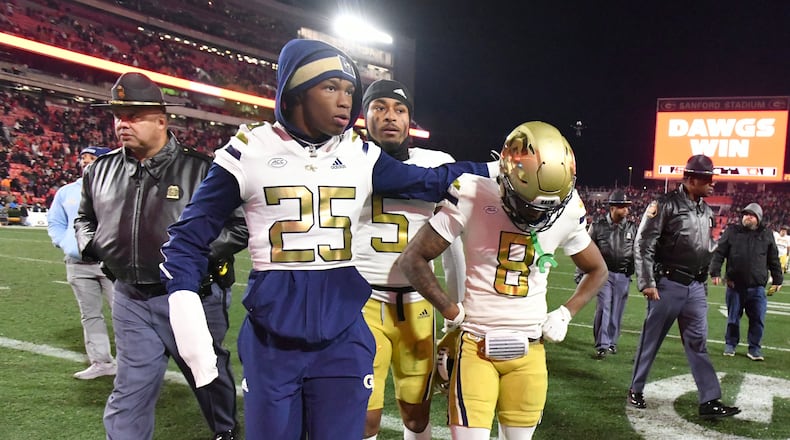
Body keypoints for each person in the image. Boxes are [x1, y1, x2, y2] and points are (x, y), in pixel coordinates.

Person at [157, 39, 493, 440]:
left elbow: (431, 180)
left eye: (349, 90)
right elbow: (186, 240)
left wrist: (500, 168)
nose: (344, 101)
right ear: (297, 90)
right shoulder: (248, 151)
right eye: (331, 87)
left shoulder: (358, 153)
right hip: (273, 333)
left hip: (344, 330)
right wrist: (184, 306)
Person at [396, 121, 609, 440]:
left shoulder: (566, 208)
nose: (538, 215)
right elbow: (413, 258)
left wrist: (566, 312)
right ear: (506, 177)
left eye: (546, 207)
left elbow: (598, 269)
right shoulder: (473, 191)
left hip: (530, 350)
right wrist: (449, 309)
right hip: (475, 345)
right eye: (528, 204)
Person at [74, 72, 246, 440]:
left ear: (161, 121)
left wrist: (186, 255)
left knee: (208, 375)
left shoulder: (203, 170)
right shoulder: (100, 170)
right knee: (130, 387)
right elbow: (84, 219)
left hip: (193, 295)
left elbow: (239, 226)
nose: (123, 123)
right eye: (118, 115)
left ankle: (225, 432)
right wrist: (95, 244)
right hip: (130, 296)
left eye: (134, 115)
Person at [356, 79, 465, 440]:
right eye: (380, 107)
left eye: (399, 110)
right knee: (364, 418)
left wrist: (456, 312)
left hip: (417, 306)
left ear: (409, 120)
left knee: (416, 416)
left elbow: (452, 247)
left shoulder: (435, 163)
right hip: (363, 304)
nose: (390, 117)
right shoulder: (347, 159)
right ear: (365, 114)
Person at [628, 154, 740, 419]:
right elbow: (643, 243)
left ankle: (709, 400)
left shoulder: (706, 210)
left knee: (698, 343)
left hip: (695, 287)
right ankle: (636, 389)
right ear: (690, 180)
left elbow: (704, 247)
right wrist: (646, 281)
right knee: (651, 341)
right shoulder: (664, 205)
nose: (713, 184)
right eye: (707, 179)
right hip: (667, 284)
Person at [48, 145, 115, 380]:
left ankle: (134, 363)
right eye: (83, 158)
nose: (86, 162)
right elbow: (55, 222)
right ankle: (101, 362)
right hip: (77, 263)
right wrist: (65, 243)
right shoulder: (66, 191)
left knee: (126, 315)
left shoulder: (120, 187)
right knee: (90, 315)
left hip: (113, 263)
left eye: (92, 158)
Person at [710, 203, 782, 360]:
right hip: (735, 285)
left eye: (752, 214)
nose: (748, 217)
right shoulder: (732, 231)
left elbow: (773, 258)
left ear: (759, 218)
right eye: (746, 214)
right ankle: (730, 344)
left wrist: (778, 279)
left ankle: (754, 348)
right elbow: (719, 253)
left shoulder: (766, 234)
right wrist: (715, 272)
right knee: (733, 319)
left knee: (757, 320)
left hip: (757, 288)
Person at [583, 189, 636, 359]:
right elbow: (585, 250)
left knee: (617, 310)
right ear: (612, 208)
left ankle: (612, 342)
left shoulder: (632, 228)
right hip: (603, 274)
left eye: (627, 207)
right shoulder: (598, 226)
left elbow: (638, 251)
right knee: (604, 307)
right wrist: (581, 273)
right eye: (622, 207)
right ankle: (602, 344)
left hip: (623, 274)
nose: (626, 210)